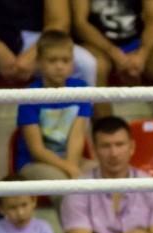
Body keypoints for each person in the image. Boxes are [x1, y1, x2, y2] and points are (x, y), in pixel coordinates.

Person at [71, 0, 153, 122]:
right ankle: (108, 130)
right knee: (95, 67)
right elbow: (81, 23)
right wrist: (113, 52)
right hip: (98, 45)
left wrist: (142, 55)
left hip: (137, 43)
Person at [15, 30, 93, 183]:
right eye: (52, 60)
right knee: (62, 185)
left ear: (72, 62)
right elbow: (37, 150)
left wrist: (72, 167)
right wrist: (69, 169)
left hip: (72, 160)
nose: (59, 66)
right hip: (34, 164)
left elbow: (77, 137)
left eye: (65, 60)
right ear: (39, 62)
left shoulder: (81, 89)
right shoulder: (29, 96)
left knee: (103, 176)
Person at [0, 1, 96, 85]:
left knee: (85, 64)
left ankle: (76, 112)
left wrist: (34, 54)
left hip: (39, 38)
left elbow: (59, 22)